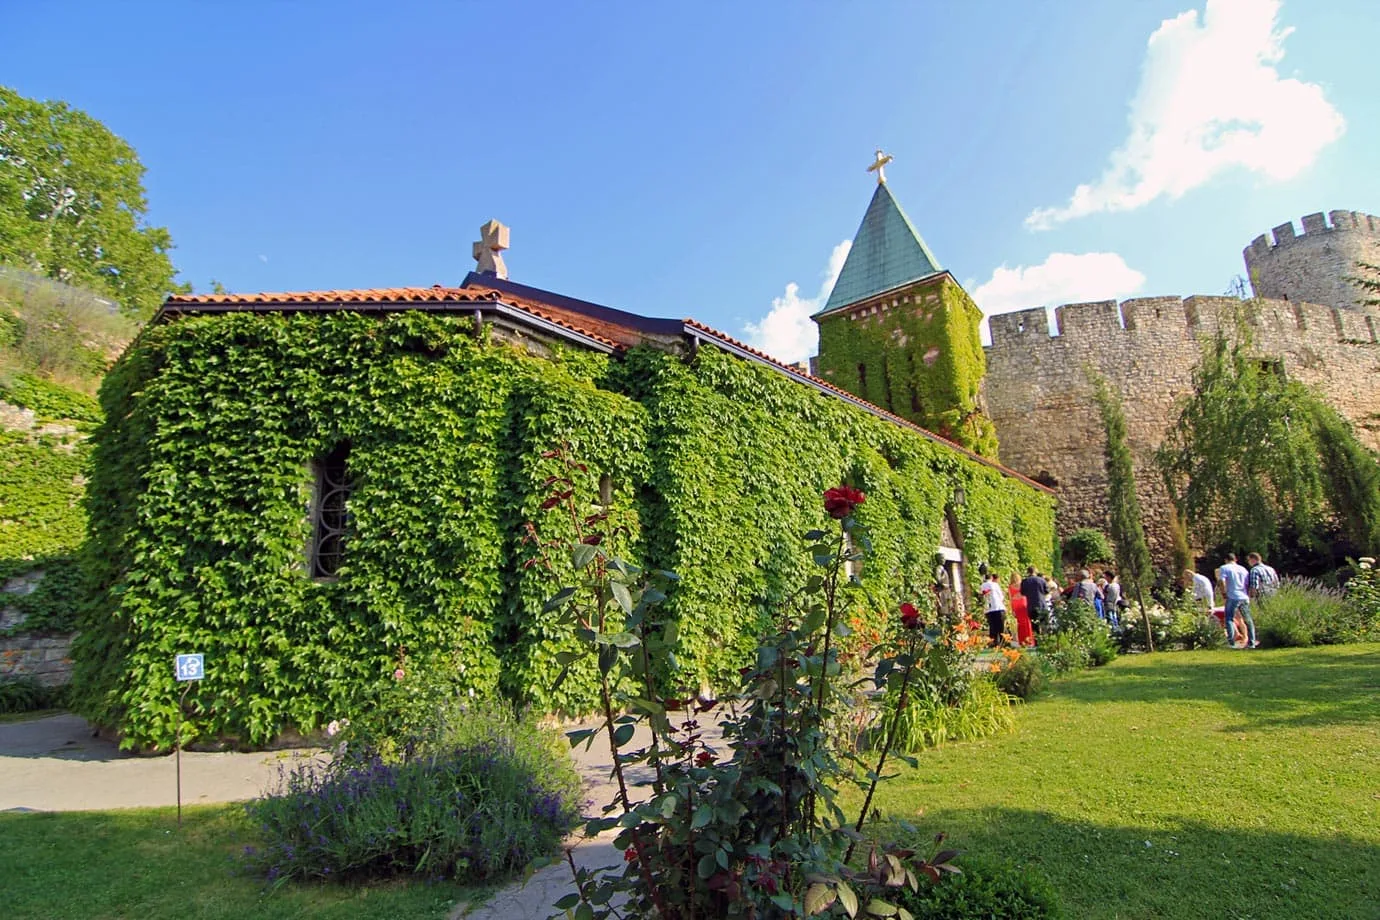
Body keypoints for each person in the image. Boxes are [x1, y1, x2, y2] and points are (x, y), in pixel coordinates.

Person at [1218, 553, 1257, 648]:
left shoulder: (1224, 568)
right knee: (1248, 619)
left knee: (1229, 618)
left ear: (1226, 560)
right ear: (1235, 559)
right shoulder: (1243, 569)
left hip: (1232, 596)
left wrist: (1224, 593)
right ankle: (1251, 642)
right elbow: (1248, 583)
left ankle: (1231, 642)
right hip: (1244, 596)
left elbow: (1221, 581)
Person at [1019, 566, 1049, 636]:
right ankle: (1045, 641)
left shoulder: (1025, 581)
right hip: (1042, 605)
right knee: (1044, 625)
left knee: (1034, 627)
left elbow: (1022, 593)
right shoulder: (1041, 580)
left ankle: (1037, 643)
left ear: (1028, 572)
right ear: (1035, 571)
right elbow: (1046, 591)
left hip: (1031, 606)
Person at [979, 571, 1007, 647]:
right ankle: (1002, 642)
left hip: (989, 609)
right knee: (1001, 626)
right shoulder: (995, 585)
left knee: (992, 626)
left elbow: (981, 597)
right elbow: (1001, 596)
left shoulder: (982, 586)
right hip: (998, 607)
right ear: (991, 578)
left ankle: (994, 642)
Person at [1008, 573, 1034, 646]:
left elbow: (1010, 599)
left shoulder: (1010, 587)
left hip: (1016, 604)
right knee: (1027, 622)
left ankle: (1022, 640)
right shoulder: (1022, 584)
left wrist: (1012, 610)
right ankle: (1029, 639)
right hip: (1023, 602)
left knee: (1020, 623)